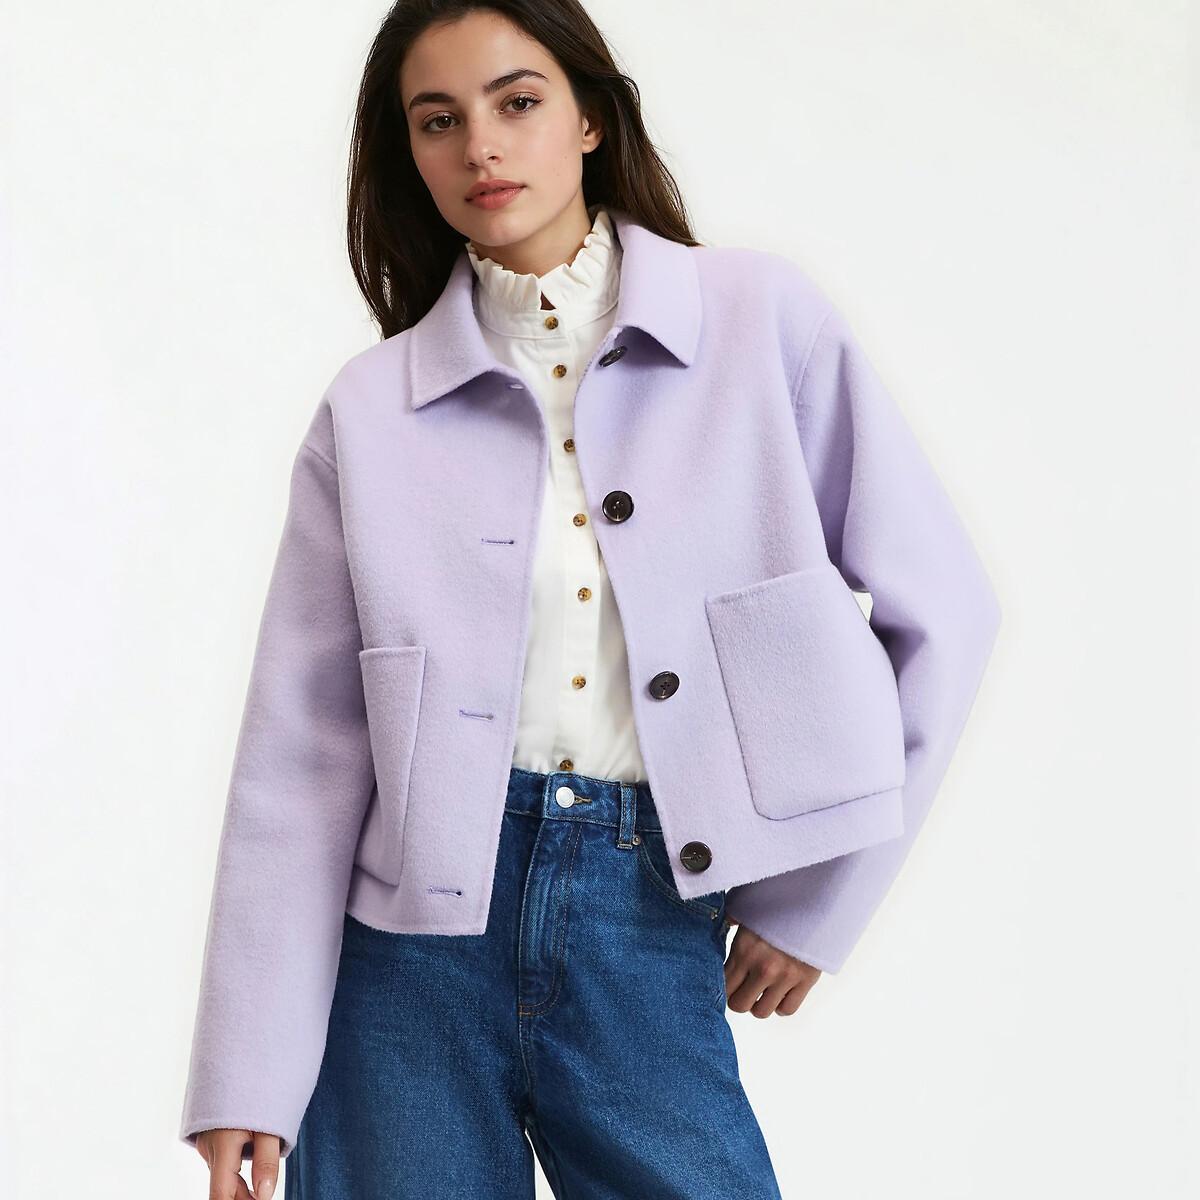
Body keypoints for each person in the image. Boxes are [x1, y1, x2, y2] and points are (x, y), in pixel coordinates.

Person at [179, 2, 1002, 1197]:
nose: (480, 147)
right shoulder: (369, 410)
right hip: (402, 971)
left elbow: (947, 613)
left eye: (517, 102)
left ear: (591, 121)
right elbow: (298, 755)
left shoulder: (760, 324)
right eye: (437, 121)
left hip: (648, 910)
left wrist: (819, 901)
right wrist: (246, 1073)